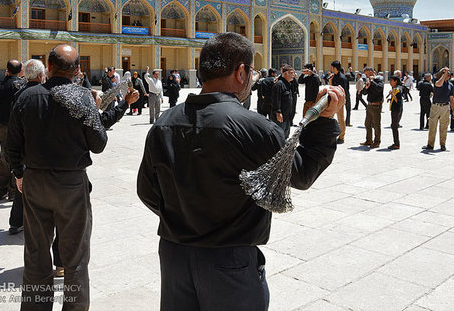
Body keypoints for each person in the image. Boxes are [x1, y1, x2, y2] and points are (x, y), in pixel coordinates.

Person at [136, 32, 342, 311]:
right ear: (242, 72)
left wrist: (184, 218)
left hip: (174, 256)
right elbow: (301, 173)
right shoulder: (253, 127)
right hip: (228, 262)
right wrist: (326, 121)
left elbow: (146, 190)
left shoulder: (165, 123)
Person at [6, 44, 132, 309]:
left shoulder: (27, 97)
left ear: (48, 67)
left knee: (37, 254)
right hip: (70, 186)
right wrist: (94, 111)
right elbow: (98, 144)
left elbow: (12, 145)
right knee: (74, 259)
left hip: (36, 183)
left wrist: (19, 174)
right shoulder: (82, 97)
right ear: (77, 70)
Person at [8, 59, 47, 235]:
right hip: (37, 155)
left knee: (21, 191)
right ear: (40, 75)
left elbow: (13, 136)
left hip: (24, 153)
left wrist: (17, 170)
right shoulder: (45, 94)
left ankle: (16, 222)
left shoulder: (20, 95)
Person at [0, 59, 25, 201]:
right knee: (16, 157)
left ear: (7, 70)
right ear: (20, 71)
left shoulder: (0, 85)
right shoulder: (21, 85)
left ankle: (0, 190)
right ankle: (13, 191)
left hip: (2, 126)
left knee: (3, 157)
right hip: (16, 127)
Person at [422, 67, 454, 152]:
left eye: (449, 75)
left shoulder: (450, 85)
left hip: (445, 107)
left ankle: (442, 144)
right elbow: (438, 84)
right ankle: (430, 144)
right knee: (432, 126)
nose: (448, 76)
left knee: (444, 126)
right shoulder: (436, 81)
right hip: (435, 106)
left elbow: (452, 98)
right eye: (446, 74)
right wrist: (444, 74)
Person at [360, 67, 384, 148]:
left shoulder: (379, 79)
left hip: (376, 105)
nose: (366, 76)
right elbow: (364, 93)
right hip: (369, 105)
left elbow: (379, 89)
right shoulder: (369, 81)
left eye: (367, 74)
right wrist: (366, 87)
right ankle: (369, 140)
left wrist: (372, 82)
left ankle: (377, 141)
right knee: (367, 123)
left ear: (371, 72)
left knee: (376, 124)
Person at [271, 65, 296, 138]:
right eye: (291, 73)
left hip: (287, 117)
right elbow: (275, 99)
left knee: (285, 136)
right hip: (280, 118)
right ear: (285, 74)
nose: (293, 75)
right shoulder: (279, 85)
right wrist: (278, 112)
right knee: (279, 137)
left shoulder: (288, 84)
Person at [329, 61, 348, 144]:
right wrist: (330, 80)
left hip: (339, 100)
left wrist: (340, 102)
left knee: (340, 118)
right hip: (333, 100)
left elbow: (343, 91)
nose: (331, 69)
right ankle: (332, 134)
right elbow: (332, 88)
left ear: (335, 68)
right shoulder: (334, 76)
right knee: (330, 117)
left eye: (332, 67)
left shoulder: (342, 78)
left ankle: (341, 137)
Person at [387, 75, 403, 150]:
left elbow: (398, 101)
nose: (390, 82)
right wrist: (391, 99)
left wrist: (392, 94)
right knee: (393, 126)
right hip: (395, 109)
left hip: (396, 110)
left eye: (391, 81)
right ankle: (396, 143)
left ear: (395, 81)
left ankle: (397, 144)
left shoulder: (398, 89)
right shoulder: (395, 88)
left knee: (394, 126)